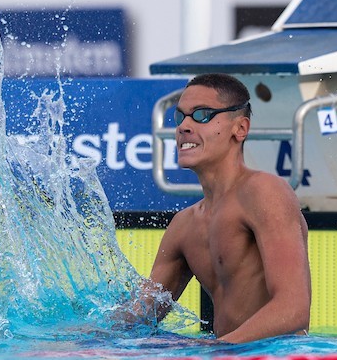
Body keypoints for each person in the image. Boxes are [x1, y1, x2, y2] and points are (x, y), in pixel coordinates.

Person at [129, 73, 312, 343]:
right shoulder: (184, 225)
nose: (184, 127)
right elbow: (139, 318)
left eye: (202, 115)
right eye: (180, 117)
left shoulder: (264, 192)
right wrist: (77, 332)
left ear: (240, 128)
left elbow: (293, 309)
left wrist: (216, 350)